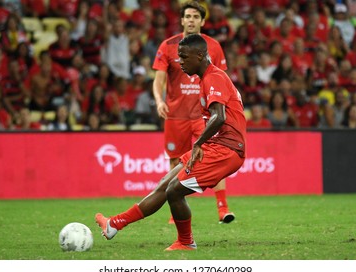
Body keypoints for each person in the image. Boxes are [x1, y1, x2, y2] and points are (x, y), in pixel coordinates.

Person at [95, 33, 247, 251]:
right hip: (216, 145)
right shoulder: (207, 78)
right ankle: (114, 224)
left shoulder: (215, 77)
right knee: (166, 184)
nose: (181, 63)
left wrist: (198, 143)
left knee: (174, 191)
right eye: (179, 58)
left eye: (184, 58)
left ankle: (186, 242)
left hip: (227, 149)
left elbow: (219, 116)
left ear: (201, 55)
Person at [151, 1, 234, 224]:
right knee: (175, 161)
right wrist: (159, 100)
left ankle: (222, 208)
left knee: (213, 156)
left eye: (196, 17)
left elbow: (221, 78)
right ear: (181, 20)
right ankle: (173, 211)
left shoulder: (214, 46)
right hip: (176, 115)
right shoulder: (168, 45)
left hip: (203, 114)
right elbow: (158, 79)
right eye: (187, 16)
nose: (191, 20)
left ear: (203, 21)